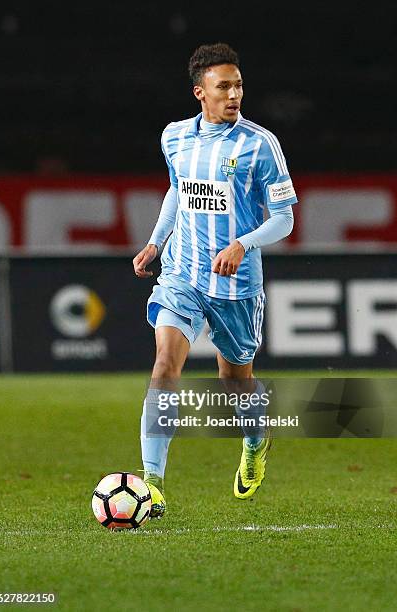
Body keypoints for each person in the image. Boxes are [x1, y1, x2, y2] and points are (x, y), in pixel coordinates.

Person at [133, 43, 298, 518]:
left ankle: (254, 439)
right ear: (199, 93)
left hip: (236, 285)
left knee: (233, 384)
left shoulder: (260, 144)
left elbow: (284, 218)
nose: (234, 94)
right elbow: (177, 191)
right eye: (223, 86)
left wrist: (243, 243)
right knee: (165, 365)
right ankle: (152, 484)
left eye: (239, 85)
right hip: (183, 274)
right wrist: (155, 242)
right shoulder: (175, 137)